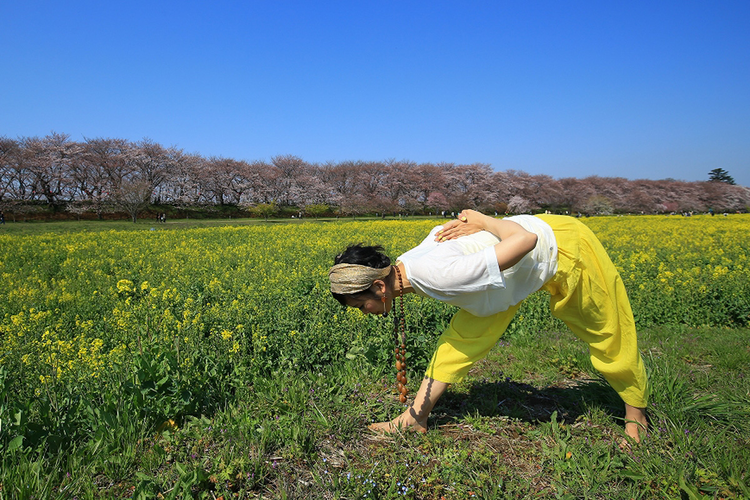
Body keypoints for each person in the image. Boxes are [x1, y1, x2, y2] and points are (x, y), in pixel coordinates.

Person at [329, 210, 649, 443]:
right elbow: (442, 231)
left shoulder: (438, 275)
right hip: (497, 288)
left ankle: (637, 418)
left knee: (606, 331)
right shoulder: (404, 265)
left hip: (564, 248)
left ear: (379, 288)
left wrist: (483, 222)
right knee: (455, 346)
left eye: (361, 305)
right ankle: (415, 418)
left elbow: (526, 239)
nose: (365, 312)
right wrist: (468, 225)